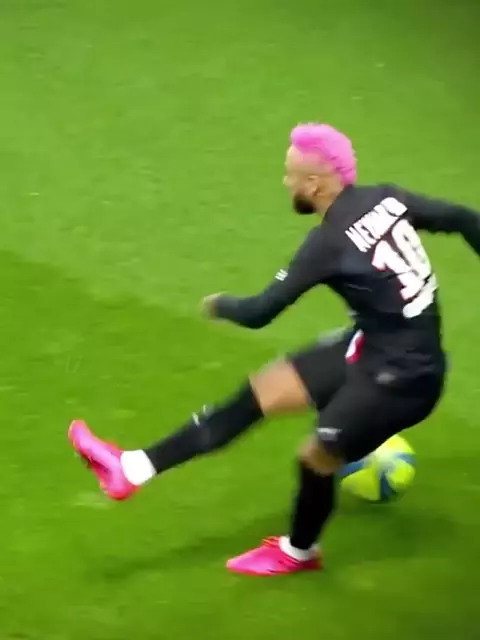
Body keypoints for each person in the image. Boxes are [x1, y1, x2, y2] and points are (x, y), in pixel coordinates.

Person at [68, 123, 480, 576]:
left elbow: (261, 311)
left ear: (314, 184)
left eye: (291, 176)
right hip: (372, 347)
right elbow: (464, 218)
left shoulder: (327, 243)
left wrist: (220, 304)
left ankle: (299, 552)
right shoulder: (387, 197)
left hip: (404, 380)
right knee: (263, 391)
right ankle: (132, 469)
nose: (286, 183)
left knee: (315, 458)